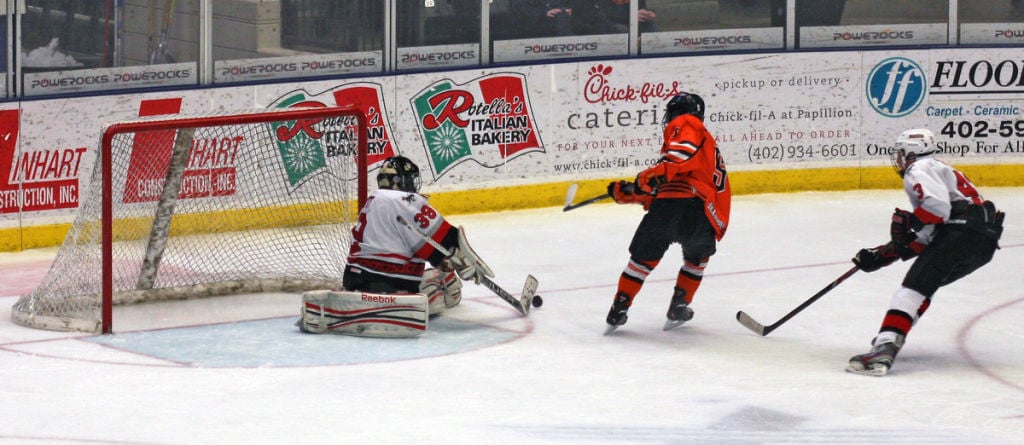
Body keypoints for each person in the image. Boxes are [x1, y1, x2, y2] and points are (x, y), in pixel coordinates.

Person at [847, 129, 1004, 376]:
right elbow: (929, 232)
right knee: (922, 289)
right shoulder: (943, 171)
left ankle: (885, 349)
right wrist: (884, 255)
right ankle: (892, 336)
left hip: (960, 232)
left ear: (911, 152)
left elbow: (936, 208)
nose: (898, 160)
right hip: (983, 242)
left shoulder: (919, 168)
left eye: (900, 153)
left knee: (911, 292)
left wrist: (911, 224)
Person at [603, 92, 731, 333]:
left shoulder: (688, 123)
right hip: (699, 212)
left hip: (676, 206)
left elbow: (677, 159)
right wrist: (633, 191)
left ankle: (619, 308)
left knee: (642, 259)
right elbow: (675, 178)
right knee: (697, 258)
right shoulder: (707, 147)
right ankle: (679, 306)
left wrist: (651, 175)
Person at [342, 156, 493, 316]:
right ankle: (400, 303)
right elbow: (447, 238)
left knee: (440, 271)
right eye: (410, 179)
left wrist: (441, 259)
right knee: (447, 282)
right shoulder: (405, 199)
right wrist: (464, 260)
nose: (413, 184)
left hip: (353, 277)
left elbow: (425, 245)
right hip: (390, 284)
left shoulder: (373, 199)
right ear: (398, 180)